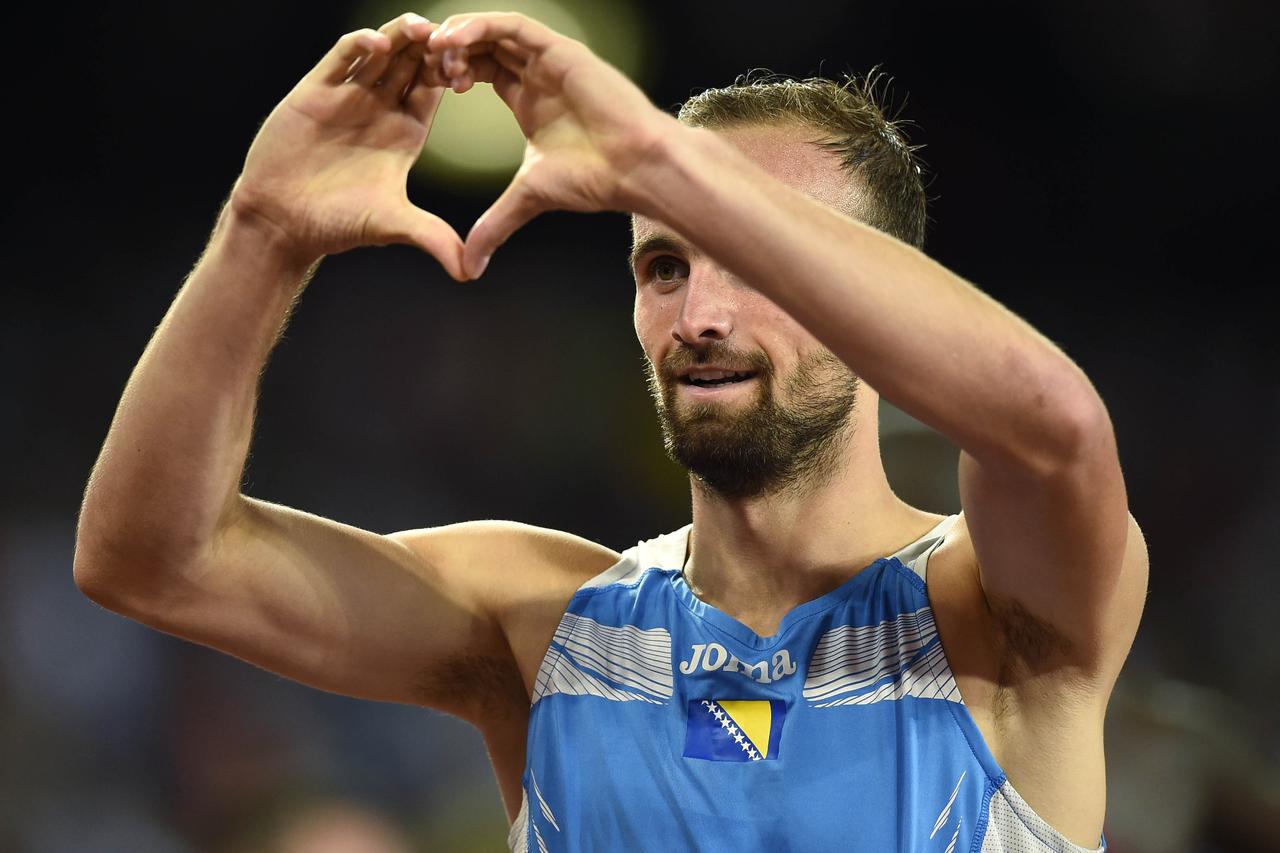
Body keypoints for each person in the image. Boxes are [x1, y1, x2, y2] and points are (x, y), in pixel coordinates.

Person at [72, 11, 1148, 852]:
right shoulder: (543, 626)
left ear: (876, 296)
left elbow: (1049, 426)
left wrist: (654, 156)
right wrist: (261, 235)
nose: (701, 316)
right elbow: (152, 559)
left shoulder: (994, 615)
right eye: (664, 264)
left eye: (762, 262)